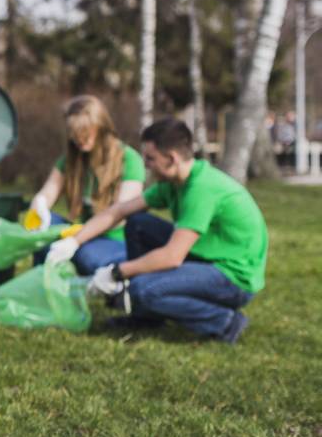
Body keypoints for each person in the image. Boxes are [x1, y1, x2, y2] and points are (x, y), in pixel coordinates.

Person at [47, 118, 267, 343]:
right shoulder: (174, 184)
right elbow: (120, 210)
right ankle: (147, 316)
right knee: (138, 224)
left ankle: (224, 322)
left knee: (142, 289)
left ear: (171, 159)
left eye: (151, 159)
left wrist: (117, 273)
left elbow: (172, 257)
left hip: (234, 277)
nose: (146, 165)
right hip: (211, 257)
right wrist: (74, 241)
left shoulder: (201, 190)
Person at [26, 95, 145, 275]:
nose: (79, 139)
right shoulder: (72, 160)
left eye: (85, 132)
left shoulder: (129, 159)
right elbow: (47, 193)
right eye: (74, 134)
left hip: (114, 239)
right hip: (82, 233)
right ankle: (40, 283)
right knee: (44, 229)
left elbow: (120, 215)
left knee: (87, 257)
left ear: (102, 127)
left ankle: (111, 275)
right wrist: (40, 207)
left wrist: (76, 240)